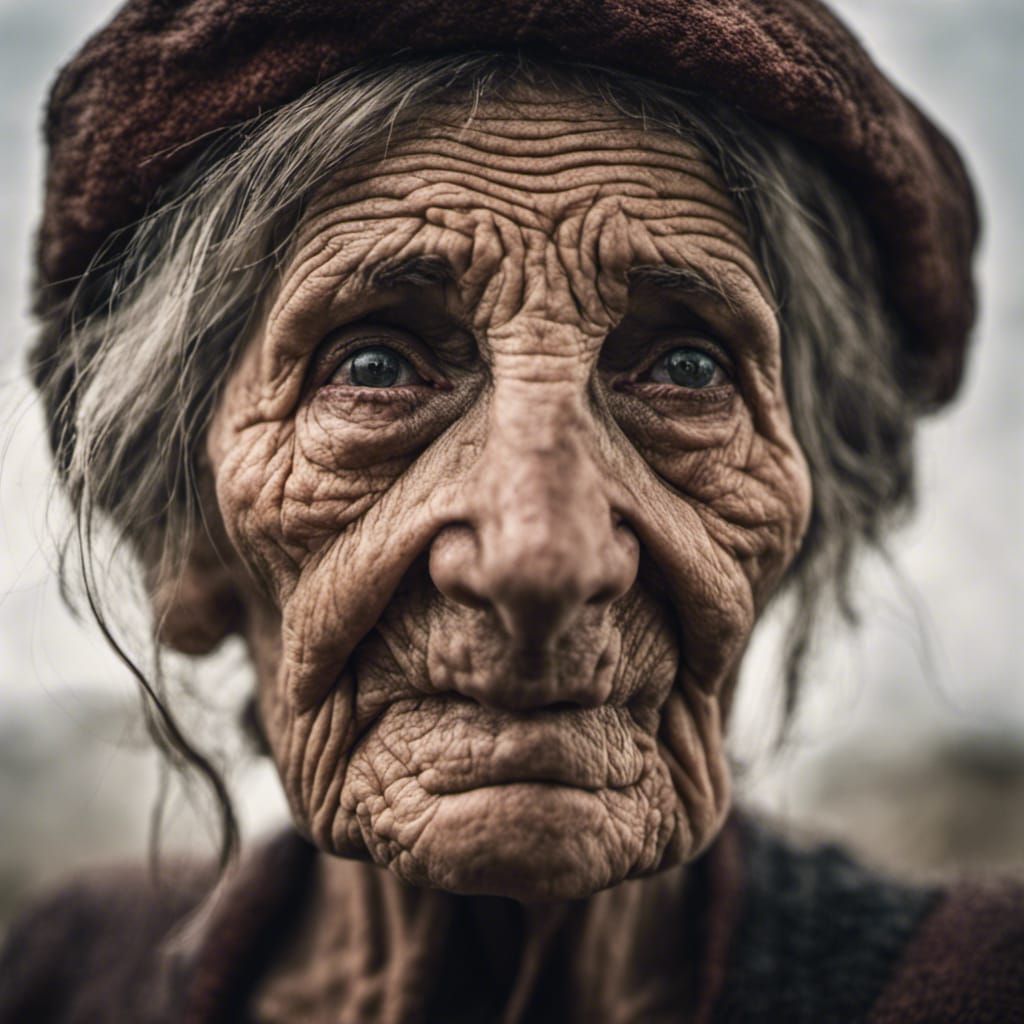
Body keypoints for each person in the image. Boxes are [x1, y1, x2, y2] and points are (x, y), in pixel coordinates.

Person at [1, 1, 1021, 1020]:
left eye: (686, 368)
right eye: (372, 366)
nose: (541, 555)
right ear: (182, 541)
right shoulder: (66, 975)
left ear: (803, 522)